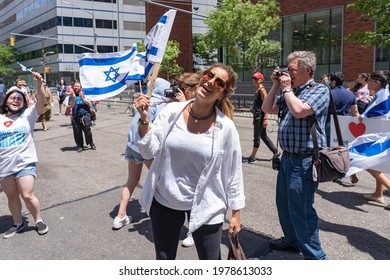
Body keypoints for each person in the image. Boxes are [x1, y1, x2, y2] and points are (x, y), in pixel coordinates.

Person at [134, 63, 245, 260]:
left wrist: (236, 211)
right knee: (164, 259)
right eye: (209, 75)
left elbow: (233, 171)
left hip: (208, 205)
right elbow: (147, 150)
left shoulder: (226, 128)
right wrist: (144, 120)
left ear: (221, 94)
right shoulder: (170, 112)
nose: (210, 81)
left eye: (218, 82)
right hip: (165, 200)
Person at [262, 51, 329, 260]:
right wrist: (275, 85)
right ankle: (292, 241)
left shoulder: (319, 90)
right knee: (284, 203)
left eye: (292, 69)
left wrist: (287, 88)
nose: (287, 73)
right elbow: (267, 108)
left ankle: (316, 257)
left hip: (306, 160)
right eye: (288, 69)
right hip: (287, 158)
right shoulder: (291, 91)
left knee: (301, 209)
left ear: (307, 70)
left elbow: (300, 110)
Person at [112, 77, 170, 230]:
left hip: (132, 144)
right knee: (161, 181)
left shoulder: (144, 100)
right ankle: (162, 217)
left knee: (131, 180)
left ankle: (120, 215)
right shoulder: (161, 104)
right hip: (145, 148)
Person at [0, 72, 49, 239]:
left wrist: (40, 84)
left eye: (19, 98)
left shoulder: (28, 115)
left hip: (24, 162)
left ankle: (38, 219)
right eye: (12, 98)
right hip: (4, 165)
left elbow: (41, 101)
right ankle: (17, 223)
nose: (15, 100)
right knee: (11, 196)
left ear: (24, 101)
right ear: (5, 100)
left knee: (26, 194)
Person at [348, 71, 390, 207]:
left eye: (370, 80)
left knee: (363, 159)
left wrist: (362, 117)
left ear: (377, 82)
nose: (368, 82)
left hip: (379, 134)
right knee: (376, 161)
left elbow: (380, 110)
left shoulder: (382, 94)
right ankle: (379, 194)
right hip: (380, 132)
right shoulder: (382, 92)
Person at [244, 71, 278, 164]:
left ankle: (253, 156)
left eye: (257, 79)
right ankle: (276, 152)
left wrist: (265, 118)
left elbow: (266, 104)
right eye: (254, 79)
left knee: (257, 137)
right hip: (257, 116)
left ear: (261, 80)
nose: (254, 80)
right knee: (263, 135)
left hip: (260, 116)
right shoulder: (257, 90)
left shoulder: (262, 90)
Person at [326, 72, 359, 146]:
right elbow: (355, 112)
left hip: (329, 124)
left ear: (333, 82)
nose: (329, 83)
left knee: (328, 150)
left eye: (330, 81)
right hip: (345, 125)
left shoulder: (328, 93)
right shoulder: (351, 94)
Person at [68, 81, 96, 152]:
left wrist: (82, 98)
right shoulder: (72, 95)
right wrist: (74, 98)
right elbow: (71, 106)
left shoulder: (85, 94)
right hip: (76, 116)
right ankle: (80, 146)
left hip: (85, 115)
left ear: (80, 87)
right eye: (75, 86)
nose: (76, 87)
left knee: (87, 130)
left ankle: (90, 142)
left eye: (78, 86)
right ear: (73, 87)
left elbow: (89, 103)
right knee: (77, 132)